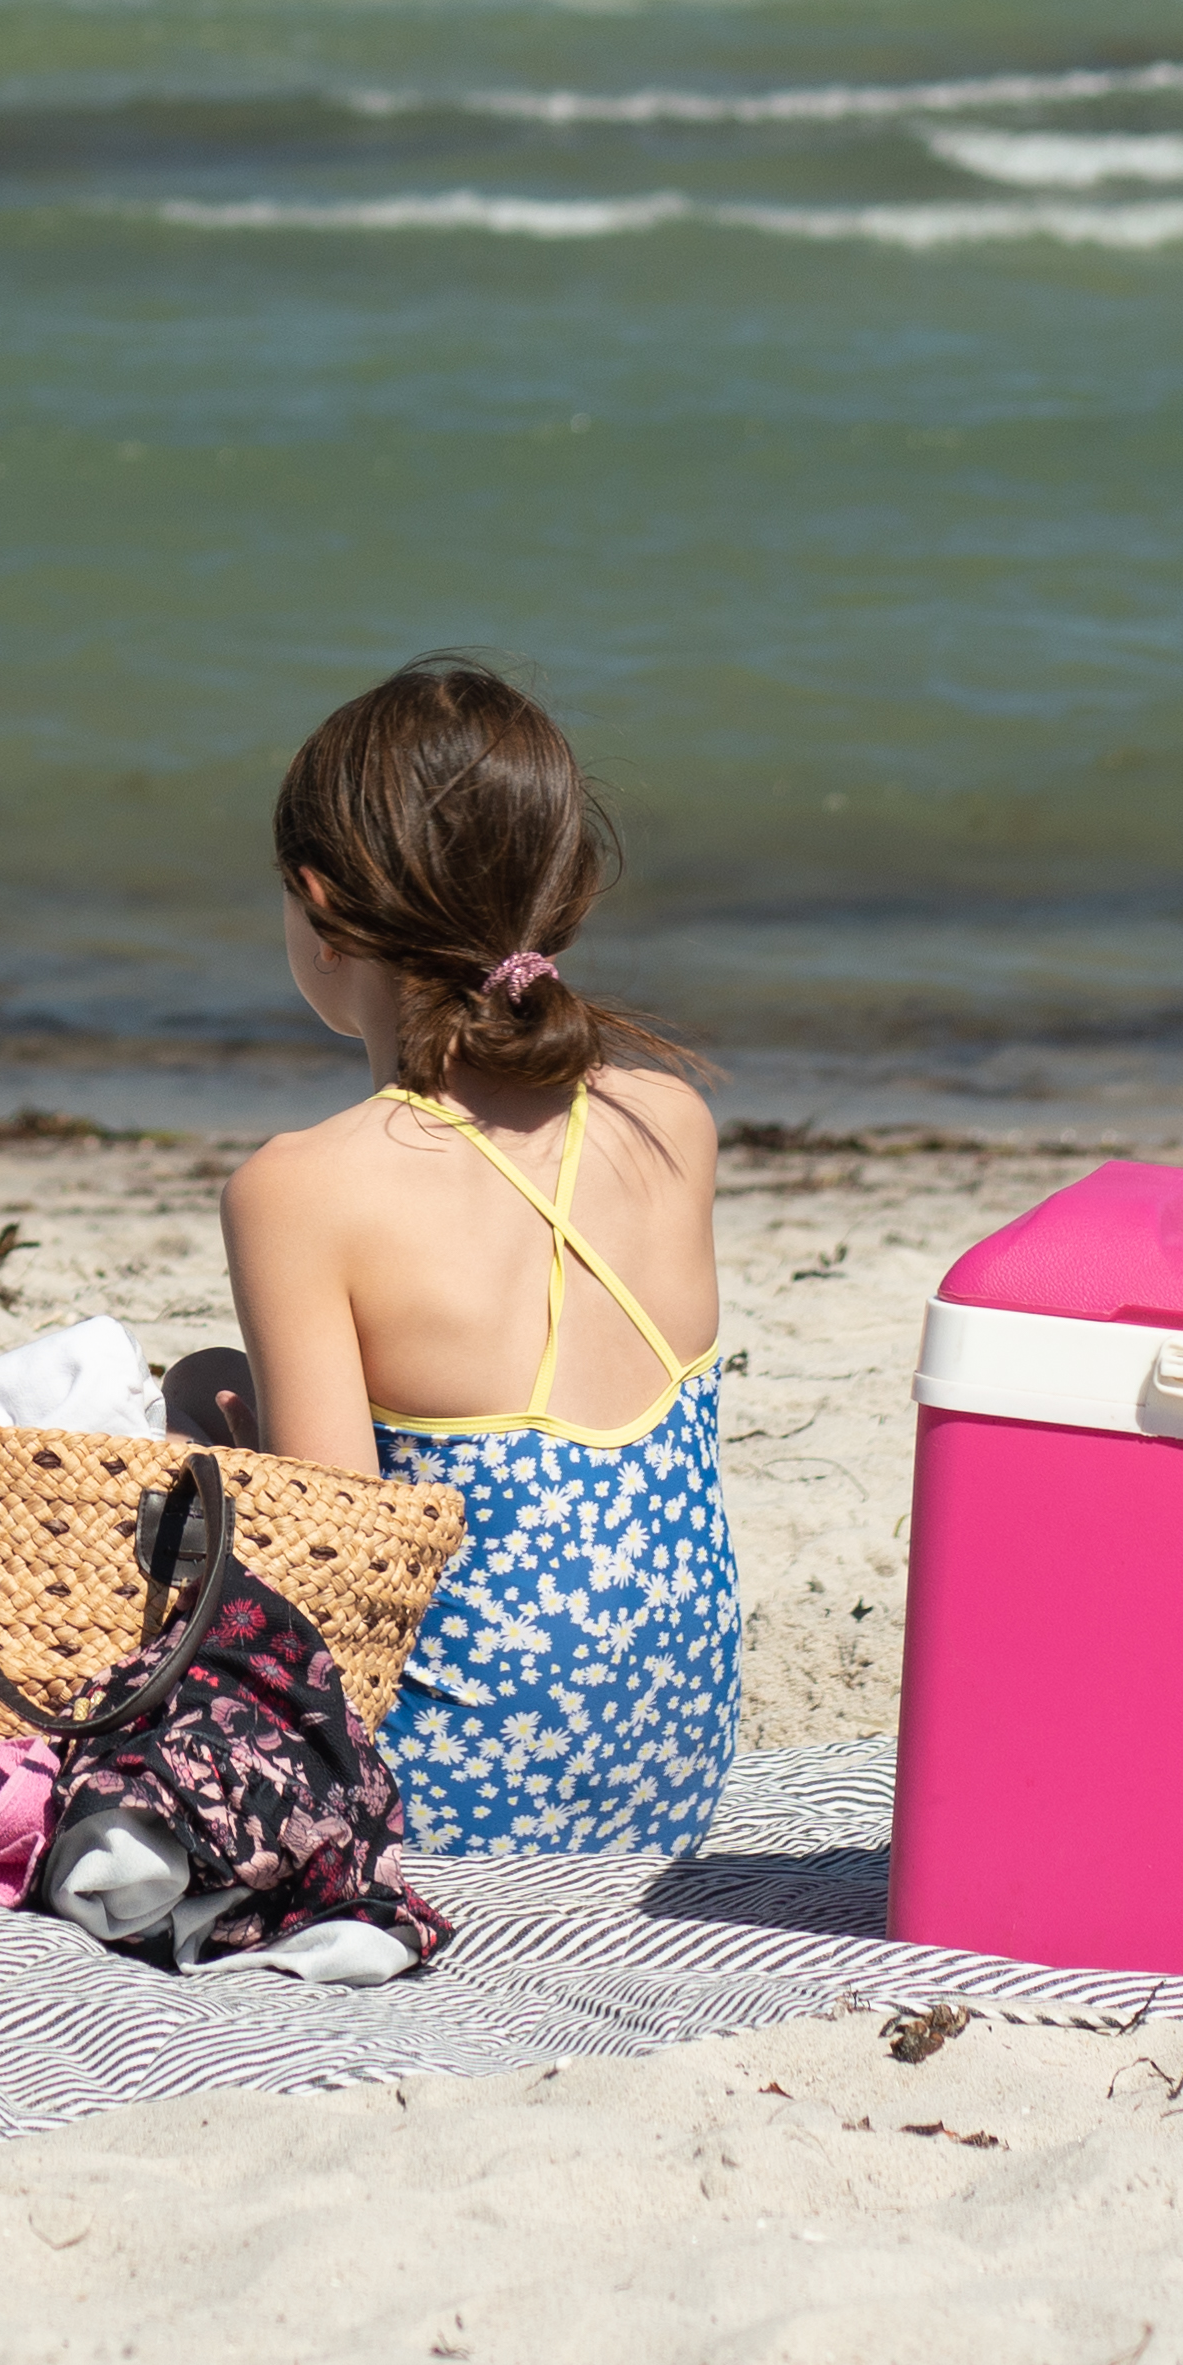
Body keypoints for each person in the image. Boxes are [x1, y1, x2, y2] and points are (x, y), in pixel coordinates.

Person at [183, 655, 742, 1856]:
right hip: (673, 1771)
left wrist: (206, 1450)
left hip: (448, 1809)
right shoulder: (670, 1119)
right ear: (560, 891)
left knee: (188, 1408)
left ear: (320, 906)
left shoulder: (299, 1188)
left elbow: (334, 1575)